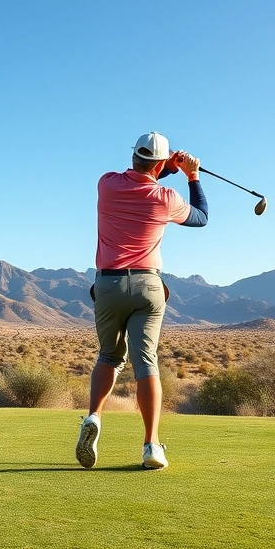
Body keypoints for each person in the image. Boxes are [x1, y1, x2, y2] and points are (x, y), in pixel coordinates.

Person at [76, 131, 208, 470]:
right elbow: (200, 216)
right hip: (148, 286)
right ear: (161, 163)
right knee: (145, 361)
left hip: (107, 284)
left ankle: (93, 416)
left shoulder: (106, 184)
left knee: (108, 355)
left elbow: (139, 176)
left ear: (133, 155)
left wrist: (167, 166)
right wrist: (191, 174)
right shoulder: (166, 198)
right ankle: (151, 445)